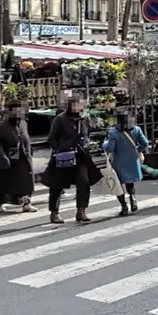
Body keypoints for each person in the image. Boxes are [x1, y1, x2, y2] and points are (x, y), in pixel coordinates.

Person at [41, 93, 102, 224]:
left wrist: (86, 145)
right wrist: (59, 149)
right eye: (77, 104)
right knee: (57, 184)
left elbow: (88, 133)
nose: (79, 107)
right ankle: (54, 212)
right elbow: (52, 138)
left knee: (83, 182)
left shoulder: (84, 118)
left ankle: (81, 210)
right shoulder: (60, 119)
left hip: (81, 155)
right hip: (64, 155)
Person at [0, 100, 37, 212]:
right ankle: (0, 202)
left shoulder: (23, 123)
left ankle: (27, 203)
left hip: (23, 157)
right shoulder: (1, 127)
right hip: (7, 158)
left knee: (26, 180)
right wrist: (2, 158)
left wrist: (29, 151)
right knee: (3, 182)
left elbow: (26, 138)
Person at [102, 112, 149, 216]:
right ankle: (133, 197)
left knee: (117, 185)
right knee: (130, 182)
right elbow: (145, 143)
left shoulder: (113, 133)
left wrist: (104, 144)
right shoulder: (136, 130)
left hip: (118, 162)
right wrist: (138, 150)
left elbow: (109, 148)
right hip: (132, 160)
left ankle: (124, 206)